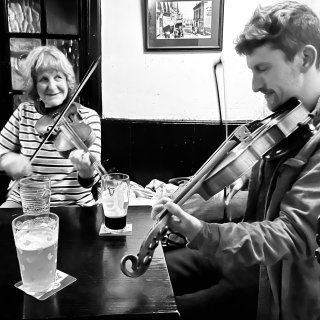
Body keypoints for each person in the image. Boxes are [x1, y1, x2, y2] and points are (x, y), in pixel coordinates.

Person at [151, 1, 320, 320]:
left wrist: (201, 229)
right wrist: (234, 180)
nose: (255, 86)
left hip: (277, 282)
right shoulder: (289, 120)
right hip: (243, 248)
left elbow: (290, 235)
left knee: (161, 312)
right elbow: (256, 199)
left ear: (305, 58)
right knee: (153, 275)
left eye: (263, 68)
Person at [0, 45, 101, 207]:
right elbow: (1, 149)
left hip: (74, 202)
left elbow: (92, 179)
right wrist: (8, 160)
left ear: (68, 81)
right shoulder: (23, 112)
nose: (52, 86)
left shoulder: (87, 117)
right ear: (34, 85)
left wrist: (85, 171)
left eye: (58, 77)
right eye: (43, 79)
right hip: (25, 199)